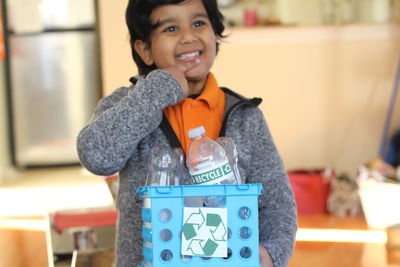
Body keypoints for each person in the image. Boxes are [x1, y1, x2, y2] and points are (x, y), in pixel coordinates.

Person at [76, 0, 297, 266]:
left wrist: (272, 252)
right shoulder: (129, 104)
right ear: (145, 50)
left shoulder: (245, 116)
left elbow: (277, 201)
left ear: (214, 33)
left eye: (198, 23)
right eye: (170, 28)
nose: (188, 37)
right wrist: (157, 91)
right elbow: (96, 156)